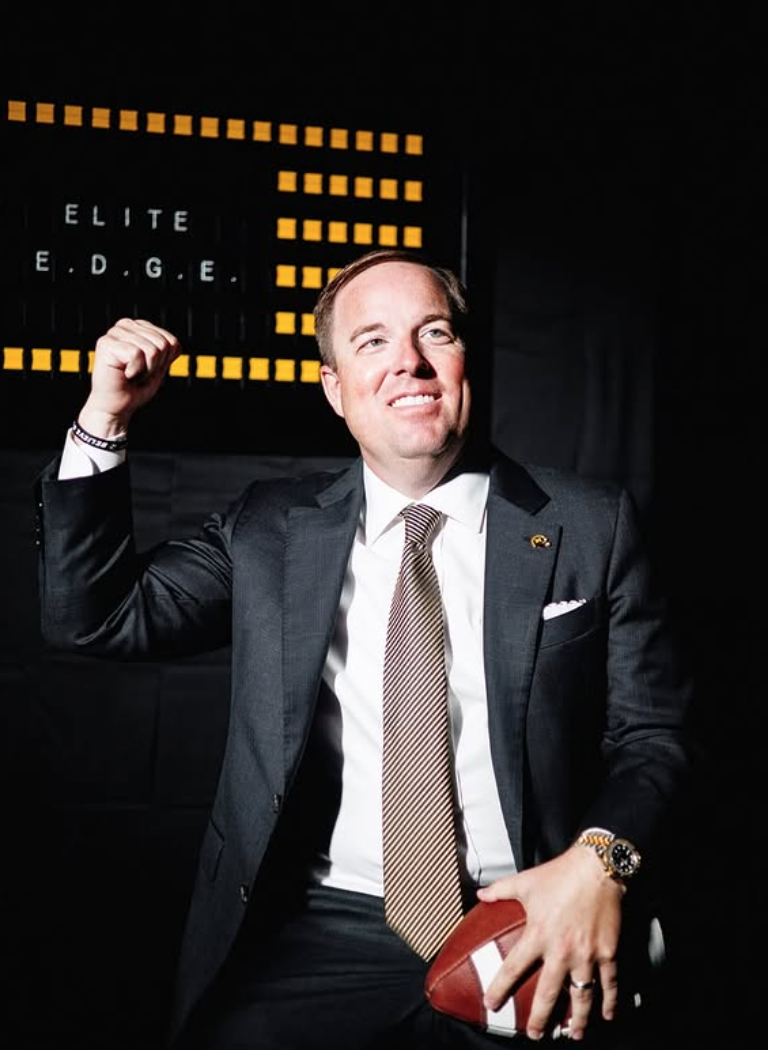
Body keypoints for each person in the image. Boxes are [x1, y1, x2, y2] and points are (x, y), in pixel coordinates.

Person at [36, 247, 696, 1049]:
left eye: (434, 333)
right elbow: (97, 617)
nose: (408, 362)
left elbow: (653, 735)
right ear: (335, 388)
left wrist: (599, 862)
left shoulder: (593, 523)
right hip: (322, 922)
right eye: (372, 341)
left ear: (463, 361)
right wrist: (104, 420)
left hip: (524, 914)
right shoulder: (270, 528)